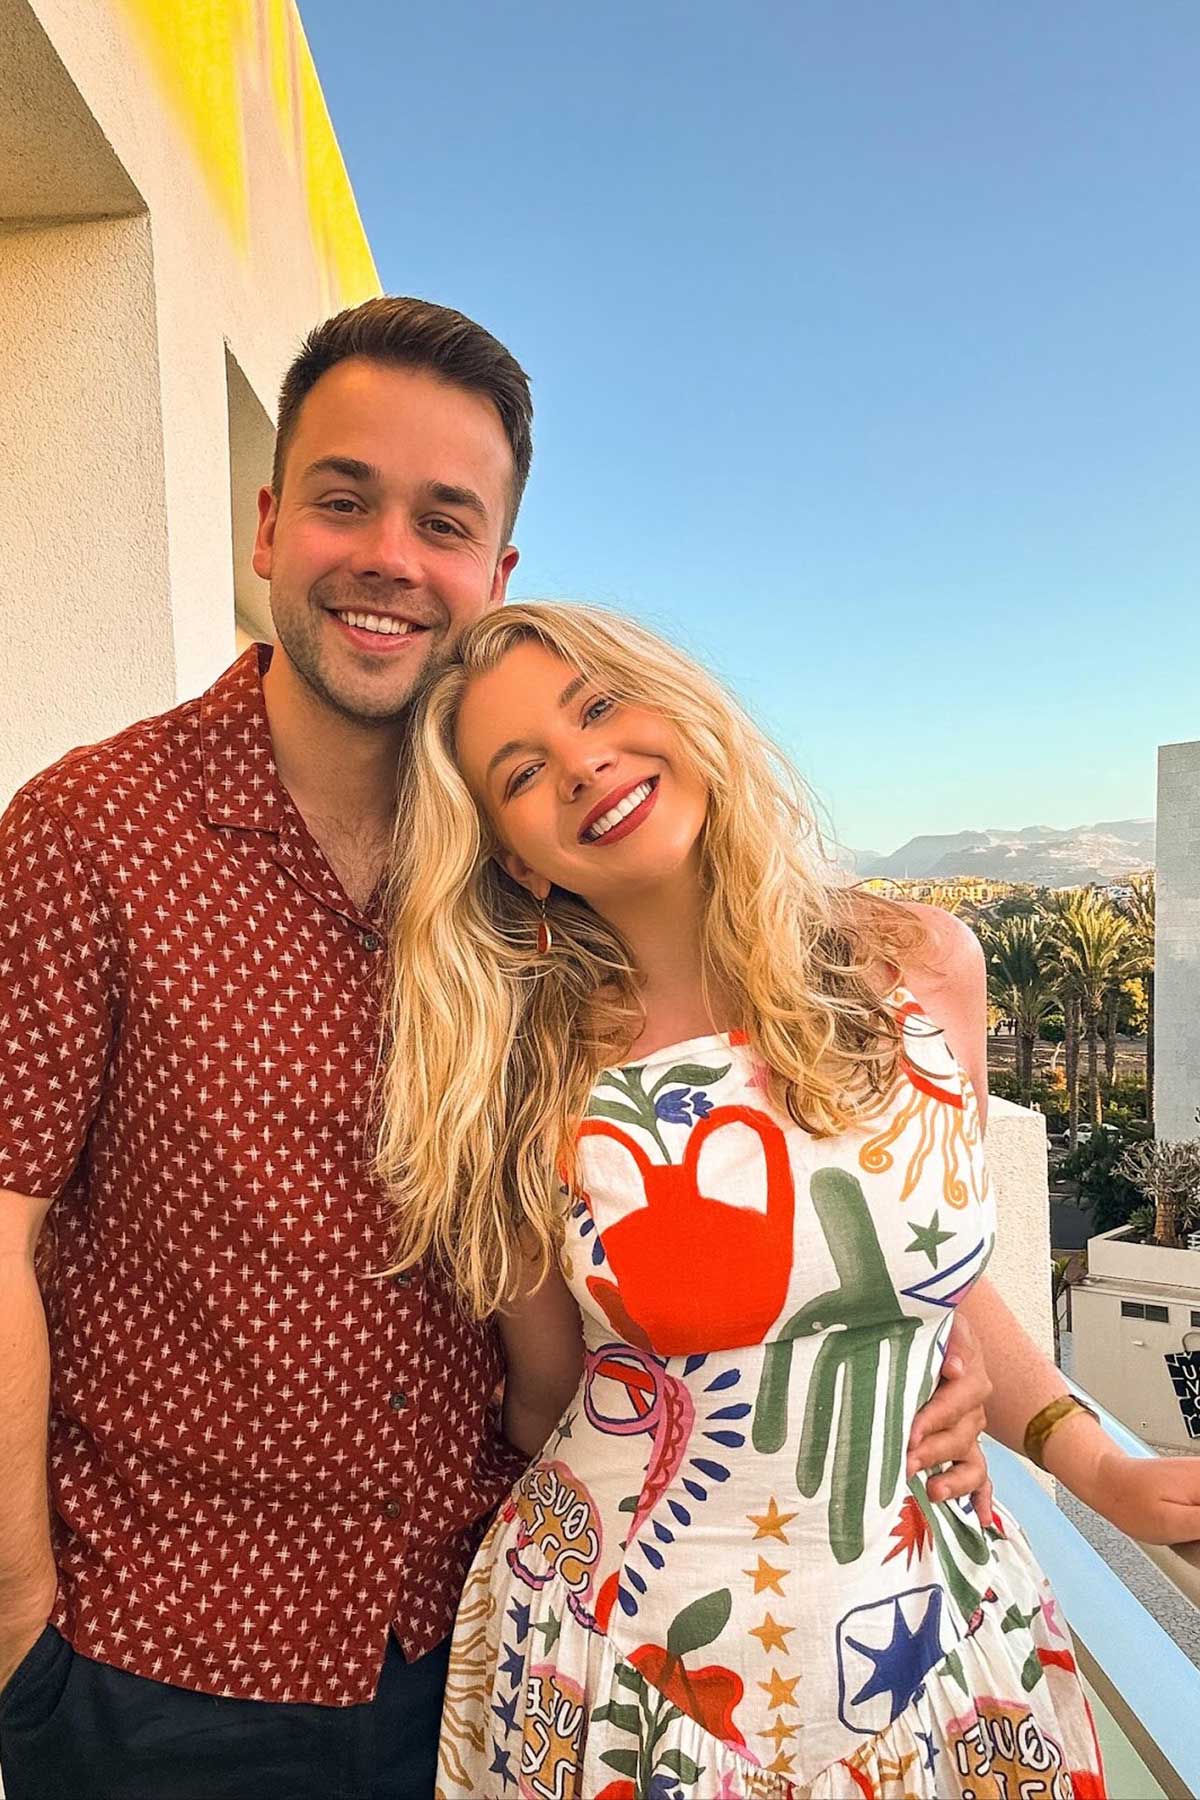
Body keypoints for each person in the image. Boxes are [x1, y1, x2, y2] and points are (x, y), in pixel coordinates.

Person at [0, 299, 990, 1800]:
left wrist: (930, 1358)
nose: (391, 555)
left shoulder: (557, 890)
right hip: (157, 1661)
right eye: (345, 500)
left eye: (444, 521)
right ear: (269, 526)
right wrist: (18, 1627)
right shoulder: (93, 828)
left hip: (489, 1642)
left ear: (495, 574)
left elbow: (799, 1141)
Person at [378, 600, 1200, 1800]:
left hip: (934, 1633)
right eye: (522, 773)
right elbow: (549, 1395)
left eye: (600, 705)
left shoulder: (925, 968)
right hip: (628, 1676)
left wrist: (1104, 1472)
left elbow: (941, 1279)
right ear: (513, 856)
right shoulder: (521, 1077)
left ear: (679, 707)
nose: (583, 764)